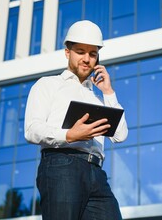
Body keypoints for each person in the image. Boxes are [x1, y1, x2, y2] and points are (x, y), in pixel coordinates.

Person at [24, 20, 128, 220]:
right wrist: (69, 135)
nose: (87, 59)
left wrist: (108, 91)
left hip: (97, 173)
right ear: (67, 52)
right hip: (61, 165)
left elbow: (120, 135)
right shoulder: (48, 84)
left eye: (92, 54)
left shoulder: (98, 98)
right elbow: (32, 129)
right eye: (80, 51)